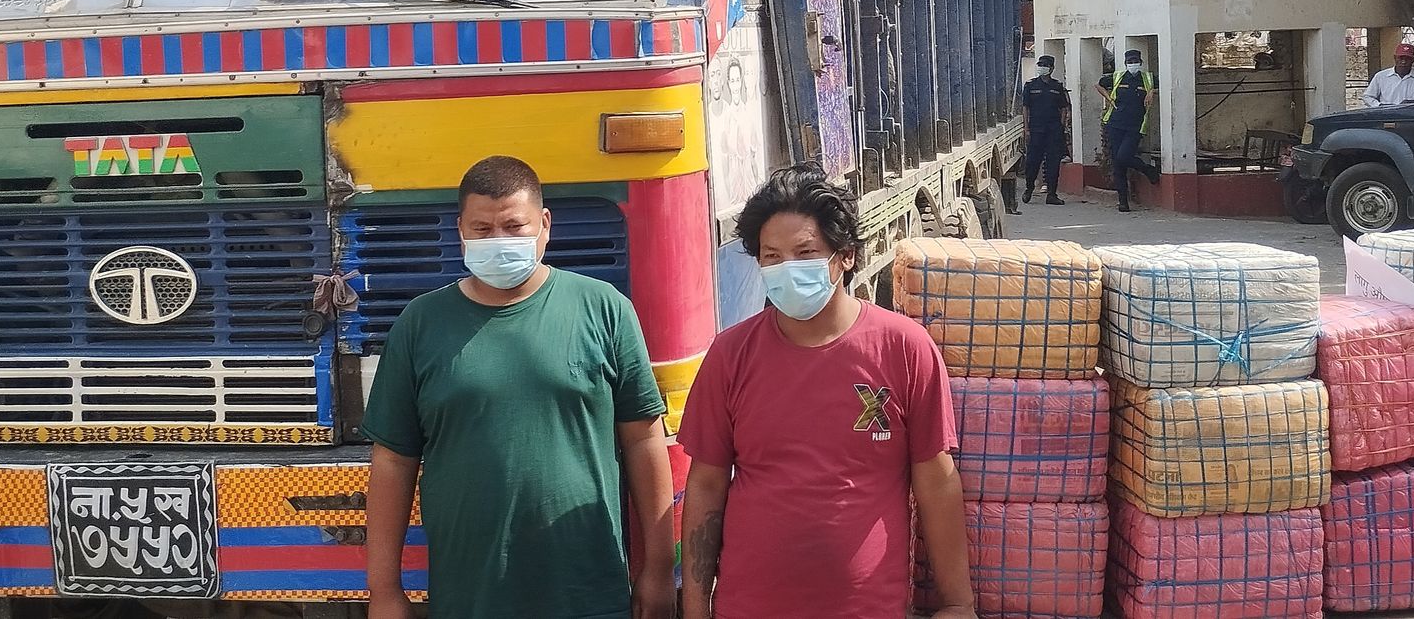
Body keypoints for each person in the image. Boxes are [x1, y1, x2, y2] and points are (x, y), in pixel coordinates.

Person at [363, 155, 675, 619]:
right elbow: (392, 461)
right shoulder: (420, 324)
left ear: (544, 225)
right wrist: (383, 591)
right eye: (482, 229)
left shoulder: (604, 309)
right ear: (461, 231)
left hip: (589, 591)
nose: (498, 241)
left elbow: (644, 441)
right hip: (470, 597)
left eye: (513, 226)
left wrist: (659, 569)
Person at [678, 166, 976, 619]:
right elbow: (706, 483)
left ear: (846, 256)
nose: (787, 269)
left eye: (805, 253)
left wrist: (958, 603)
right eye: (772, 256)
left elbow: (936, 481)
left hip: (867, 608)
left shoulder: (903, 348)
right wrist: (695, 609)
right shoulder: (730, 354)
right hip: (747, 606)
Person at [1097, 49, 1159, 213]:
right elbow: (1099, 84)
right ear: (1125, 64)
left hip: (1135, 126)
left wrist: (1151, 92)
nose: (1133, 64)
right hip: (1116, 124)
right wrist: (1108, 97)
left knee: (1123, 156)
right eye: (1130, 62)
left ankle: (1147, 169)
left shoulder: (1148, 78)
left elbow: (1165, 85)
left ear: (1140, 63)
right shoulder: (1117, 77)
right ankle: (1123, 201)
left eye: (1135, 62)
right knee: (1118, 164)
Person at [1020, 54, 1071, 206]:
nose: (1042, 67)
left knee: (1053, 163)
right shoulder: (1030, 85)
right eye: (1040, 65)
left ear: (1052, 68)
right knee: (1032, 162)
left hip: (1053, 130)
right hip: (1036, 129)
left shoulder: (1057, 86)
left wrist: (1061, 126)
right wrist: (1026, 128)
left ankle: (1052, 194)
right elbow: (1025, 108)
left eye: (1045, 65)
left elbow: (1064, 108)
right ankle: (1029, 188)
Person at [1361, 44, 1414, 108]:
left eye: (1408, 58)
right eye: (1401, 58)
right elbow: (1367, 97)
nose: (1404, 61)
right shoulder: (1381, 76)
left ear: (1413, 60)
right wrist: (1380, 105)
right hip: (1386, 114)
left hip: (1411, 114)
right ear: (1395, 58)